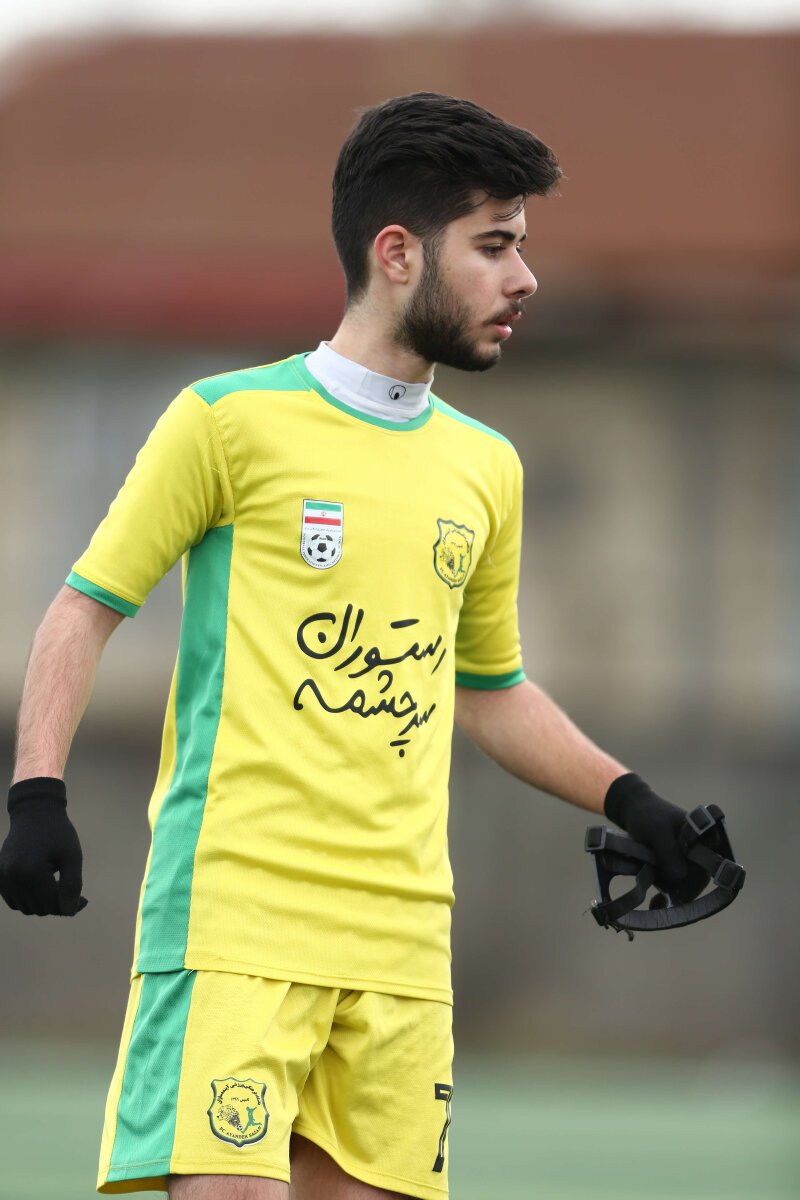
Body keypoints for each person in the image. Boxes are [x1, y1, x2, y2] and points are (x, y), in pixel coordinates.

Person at [0, 92, 711, 1200]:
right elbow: (84, 607)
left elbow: (489, 688)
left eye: (521, 246)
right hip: (235, 928)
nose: (524, 278)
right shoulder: (226, 421)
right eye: (494, 246)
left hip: (402, 952)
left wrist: (634, 801)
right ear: (396, 253)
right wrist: (37, 793)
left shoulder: (485, 467)